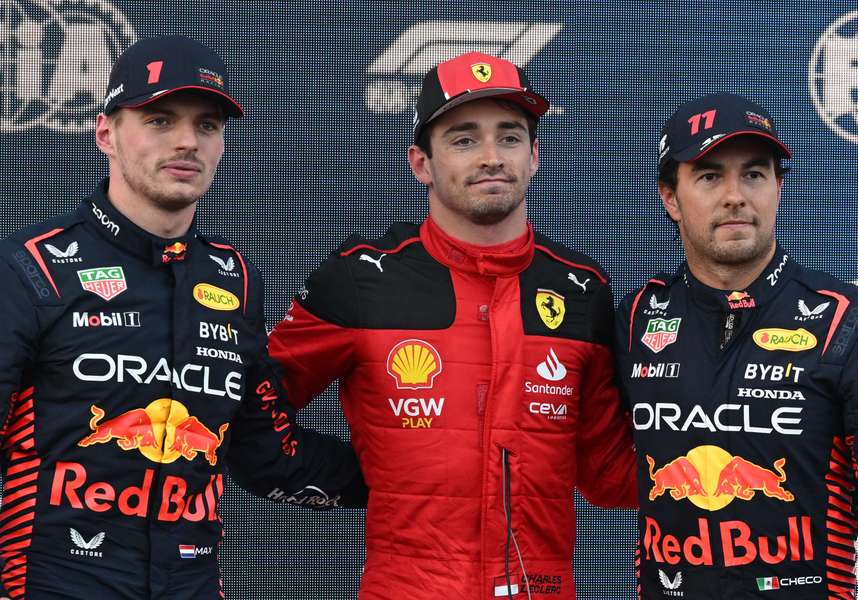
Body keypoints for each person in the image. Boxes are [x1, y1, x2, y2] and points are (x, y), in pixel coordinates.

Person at [0, 35, 365, 598]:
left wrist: (426, 476)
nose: (187, 142)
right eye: (160, 120)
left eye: (208, 125)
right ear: (106, 134)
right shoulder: (33, 266)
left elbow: (267, 453)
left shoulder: (232, 278)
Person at [267, 51, 637, 600]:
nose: (491, 156)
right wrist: (351, 481)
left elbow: (608, 473)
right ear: (421, 163)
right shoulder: (361, 276)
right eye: (464, 139)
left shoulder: (582, 288)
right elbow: (245, 409)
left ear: (535, 155)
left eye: (509, 137)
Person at [616, 92, 858, 598]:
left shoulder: (849, 323)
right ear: (670, 198)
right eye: (709, 176)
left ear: (778, 188)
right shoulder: (637, 318)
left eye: (754, 173)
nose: (735, 195)